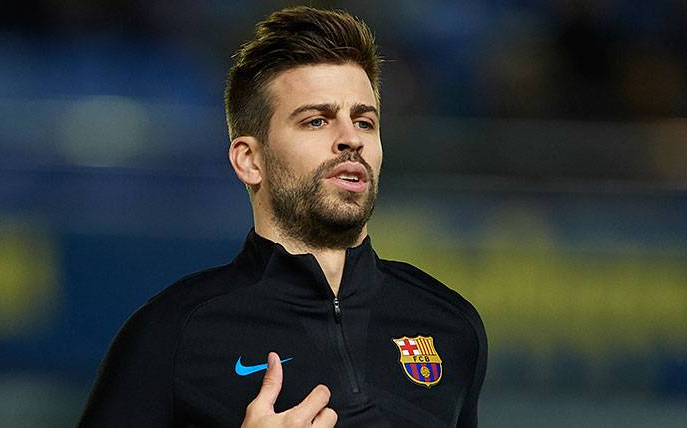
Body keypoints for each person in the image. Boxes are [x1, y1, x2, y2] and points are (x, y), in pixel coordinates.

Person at [79, 6, 487, 428]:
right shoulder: (172, 333)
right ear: (249, 160)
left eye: (364, 122)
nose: (350, 139)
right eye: (316, 121)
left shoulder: (450, 325)